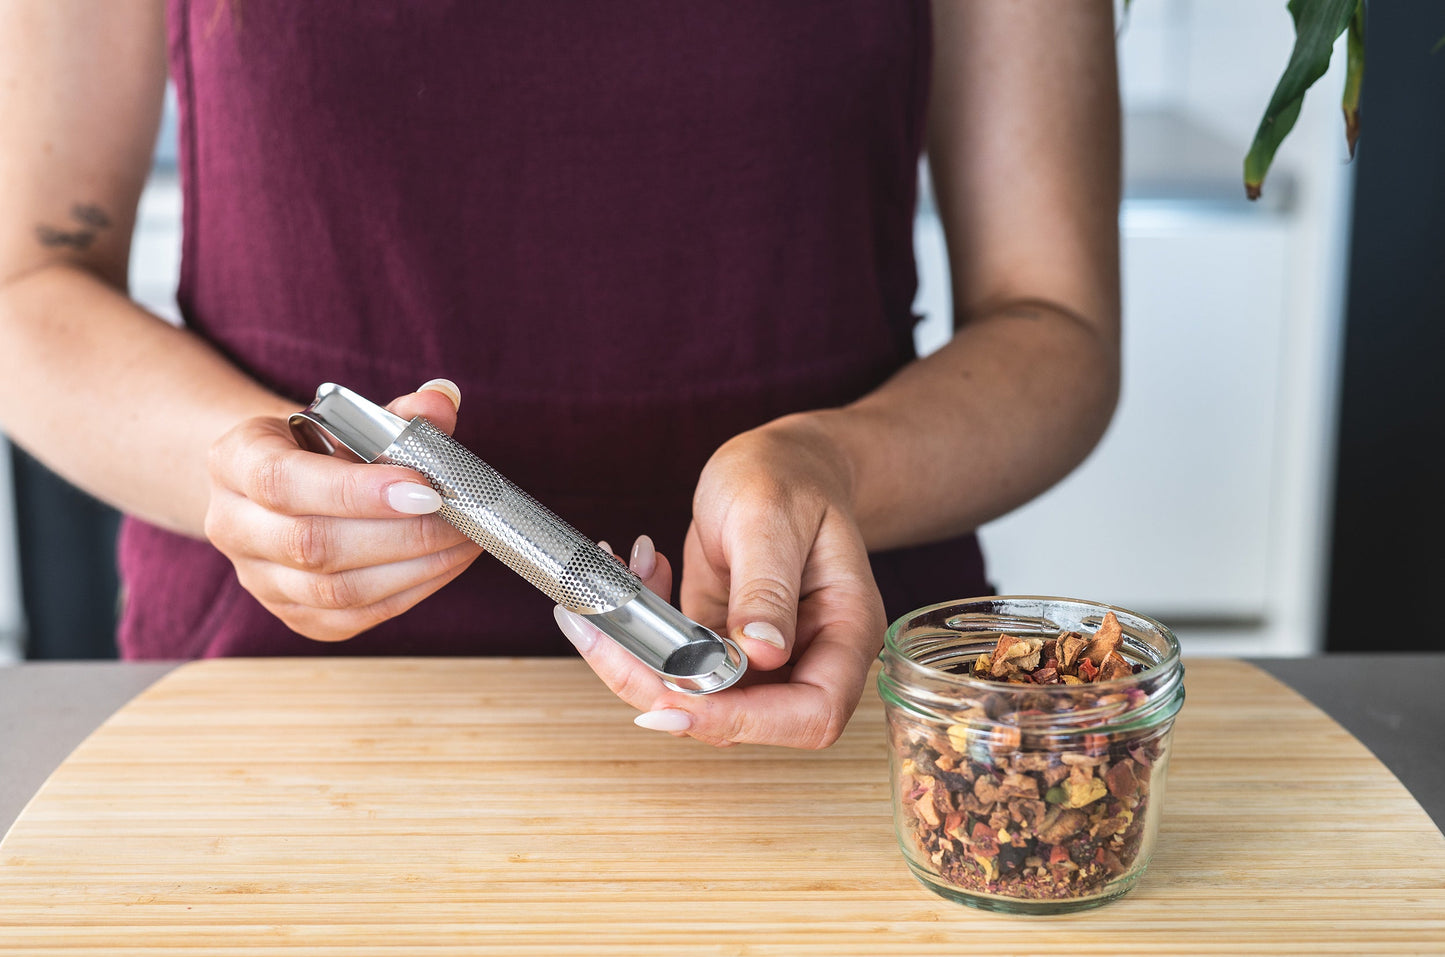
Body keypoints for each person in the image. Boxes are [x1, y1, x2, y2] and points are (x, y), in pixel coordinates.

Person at [0, 2, 1120, 749]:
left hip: (818, 675)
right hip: (285, 694)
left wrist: (833, 464)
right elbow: (26, 283)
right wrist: (235, 468)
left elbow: (1053, 322)